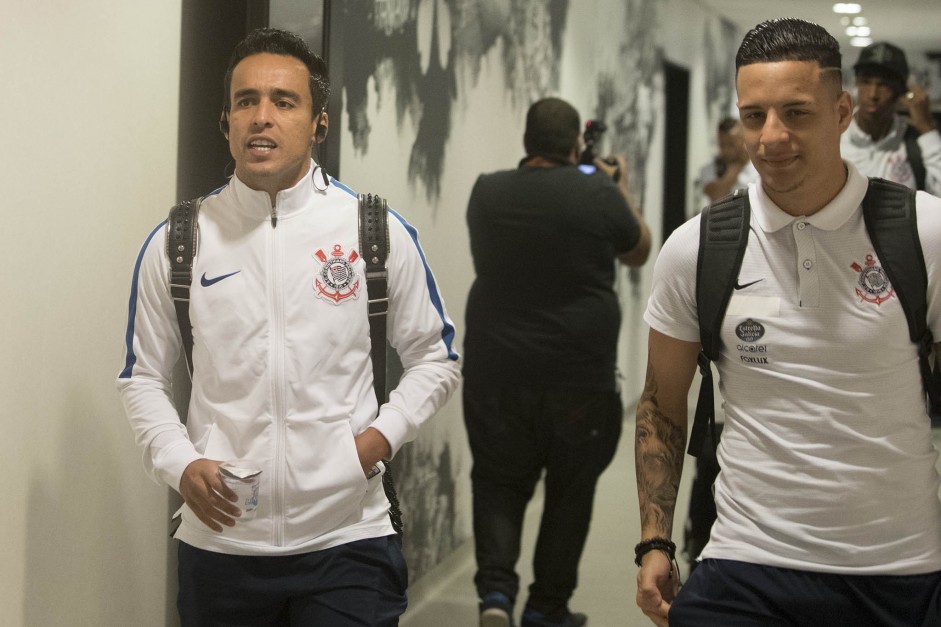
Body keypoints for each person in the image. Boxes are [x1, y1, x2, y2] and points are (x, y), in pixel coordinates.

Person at [116, 28, 461, 626]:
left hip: (348, 538)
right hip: (222, 544)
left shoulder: (372, 233)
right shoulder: (180, 241)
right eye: (245, 101)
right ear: (225, 121)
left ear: (318, 123)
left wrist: (379, 439)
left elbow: (436, 356)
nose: (262, 117)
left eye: (284, 101)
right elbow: (142, 375)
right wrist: (177, 461)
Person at [635, 18, 941, 627]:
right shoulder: (696, 249)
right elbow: (662, 405)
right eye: (754, 116)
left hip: (901, 570)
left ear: (842, 111)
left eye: (796, 113)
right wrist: (655, 542)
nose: (771, 137)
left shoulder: (925, 234)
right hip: (745, 563)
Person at [463, 97, 651, 627]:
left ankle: (495, 595)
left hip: (496, 369)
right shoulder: (597, 190)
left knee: (498, 481)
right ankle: (546, 608)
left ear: (527, 141)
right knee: (570, 491)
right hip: (578, 378)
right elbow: (638, 248)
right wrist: (618, 184)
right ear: (575, 145)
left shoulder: (487, 191)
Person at [841, 40, 941, 196]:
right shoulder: (834, 136)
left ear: (901, 91)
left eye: (884, 85)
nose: (873, 94)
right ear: (856, 84)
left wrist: (926, 127)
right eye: (866, 82)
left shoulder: (913, 141)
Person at [697, 117, 759, 203]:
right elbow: (717, 195)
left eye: (731, 144)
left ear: (743, 140)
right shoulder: (709, 168)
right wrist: (737, 166)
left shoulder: (759, 167)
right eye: (722, 144)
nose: (726, 150)